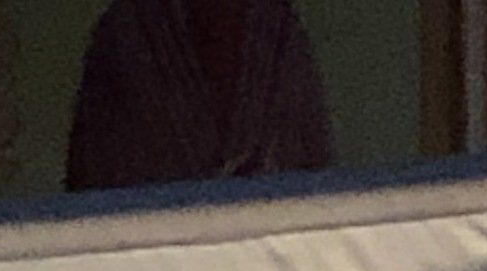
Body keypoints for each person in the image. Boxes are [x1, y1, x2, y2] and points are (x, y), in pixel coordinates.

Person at [65, 0, 336, 193]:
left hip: (270, 247)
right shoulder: (127, 35)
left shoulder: (278, 33)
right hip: (148, 246)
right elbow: (90, 184)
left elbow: (312, 165)